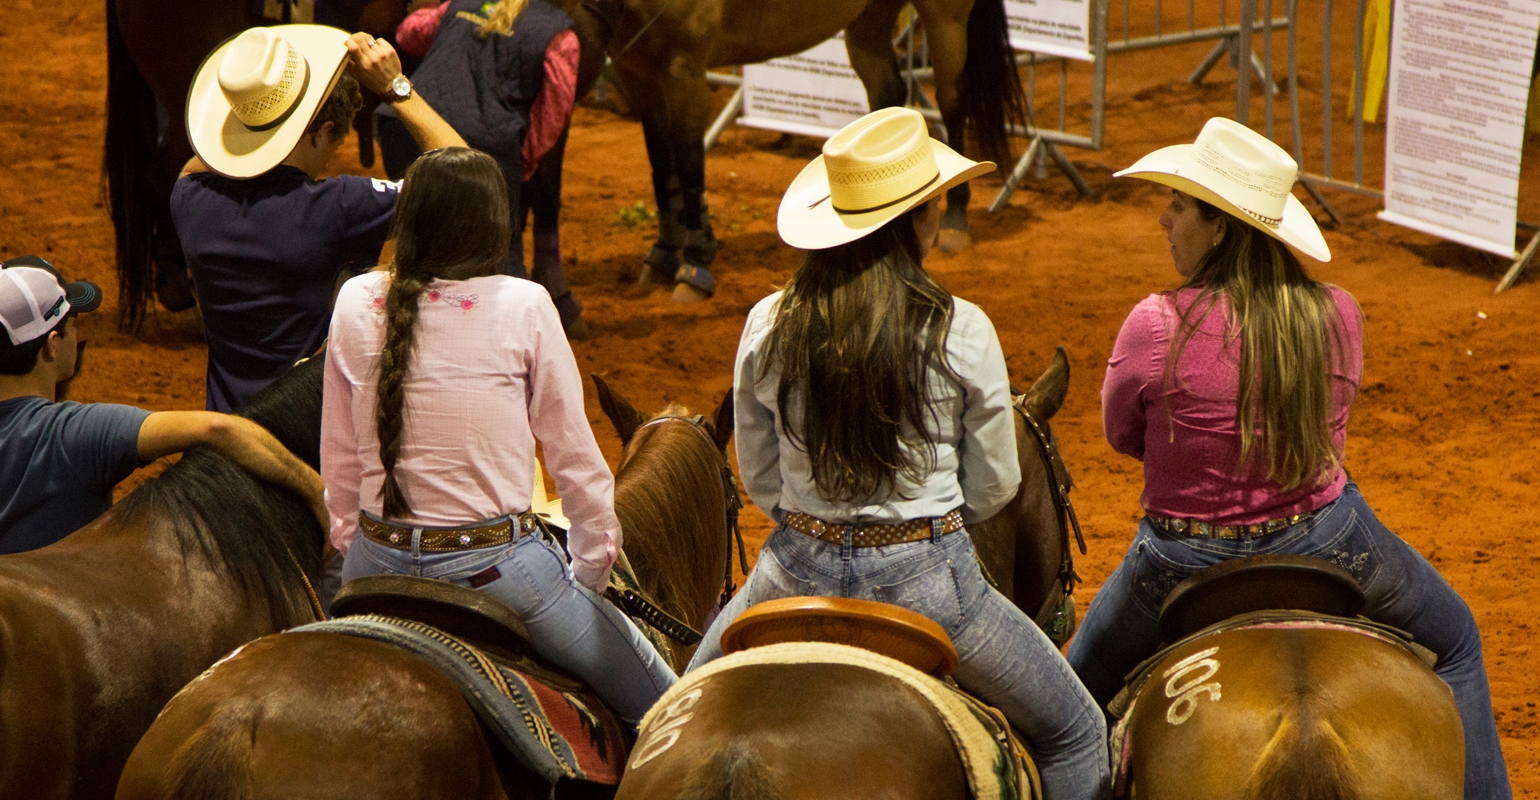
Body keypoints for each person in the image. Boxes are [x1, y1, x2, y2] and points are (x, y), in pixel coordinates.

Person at [1065, 117, 1511, 800]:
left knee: (1075, 699)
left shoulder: (1154, 324)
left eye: (1179, 205)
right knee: (1455, 640)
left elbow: (1122, 434)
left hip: (1180, 557)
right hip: (1328, 539)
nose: (1163, 217)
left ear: (1220, 228)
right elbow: (1329, 428)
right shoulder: (1336, 314)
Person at [686, 108, 1110, 800]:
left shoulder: (769, 321)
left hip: (792, 573)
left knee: (669, 717)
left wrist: (814, 521)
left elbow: (758, 472)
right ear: (918, 220)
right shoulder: (961, 327)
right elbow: (997, 484)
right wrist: (925, 522)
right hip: (931, 585)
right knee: (1077, 733)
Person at [320, 147, 674, 725]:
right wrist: (589, 570)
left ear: (408, 221)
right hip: (497, 572)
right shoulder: (526, 304)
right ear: (493, 226)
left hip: (372, 564)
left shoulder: (356, 299)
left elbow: (337, 462)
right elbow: (576, 462)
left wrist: (356, 548)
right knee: (669, 712)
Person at [172, 25, 467, 413]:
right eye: (333, 140)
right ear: (322, 131)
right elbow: (464, 179)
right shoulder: (339, 206)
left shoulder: (190, 199)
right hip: (313, 435)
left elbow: (199, 163)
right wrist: (396, 87)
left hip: (230, 432)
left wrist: (257, 126)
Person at [0, 255, 326, 554]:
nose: (77, 333)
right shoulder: (71, 436)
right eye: (71, 325)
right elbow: (218, 428)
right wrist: (315, 492)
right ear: (52, 346)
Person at [379, 0, 588, 337]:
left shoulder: (462, 3)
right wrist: (524, 164)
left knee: (419, 244)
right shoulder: (559, 34)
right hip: (483, 149)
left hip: (404, 128)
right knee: (501, 259)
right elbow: (553, 114)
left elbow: (408, 34)